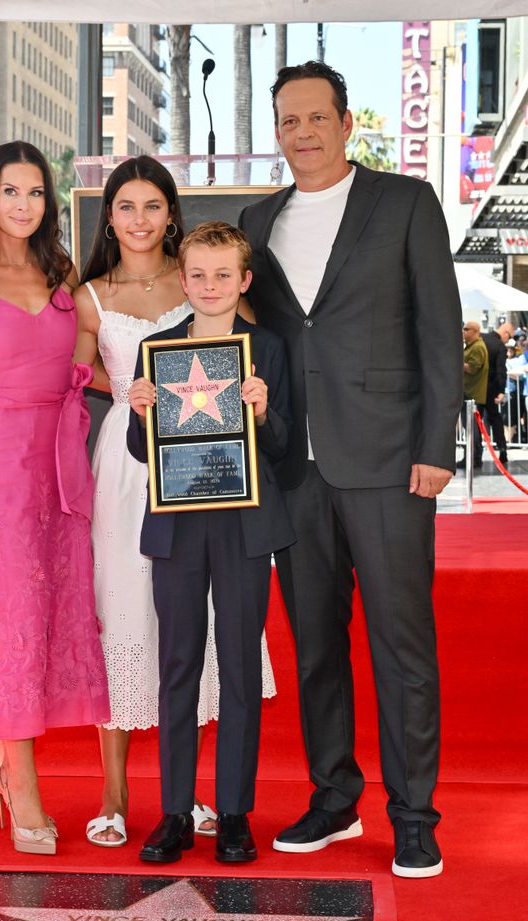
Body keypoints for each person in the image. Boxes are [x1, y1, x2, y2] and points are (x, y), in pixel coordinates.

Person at [240, 61, 462, 878]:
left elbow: (440, 328)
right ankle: (333, 797)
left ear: (345, 122)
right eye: (287, 121)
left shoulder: (403, 201)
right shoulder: (257, 219)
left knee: (401, 644)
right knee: (313, 647)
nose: (301, 133)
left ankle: (413, 816)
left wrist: (436, 447)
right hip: (291, 463)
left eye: (314, 118)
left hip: (388, 459)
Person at [75, 158, 277, 848]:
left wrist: (257, 411)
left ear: (171, 214)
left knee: (215, 644)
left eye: (152, 205)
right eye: (125, 205)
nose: (139, 218)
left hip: (222, 488)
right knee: (140, 627)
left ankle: (214, 803)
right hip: (137, 480)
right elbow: (86, 375)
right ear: (109, 216)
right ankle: (135, 797)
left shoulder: (225, 303)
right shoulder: (93, 297)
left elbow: (258, 397)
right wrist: (133, 403)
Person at [0, 141, 110, 856]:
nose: (25, 205)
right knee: (7, 621)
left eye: (36, 193)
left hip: (60, 461)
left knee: (54, 610)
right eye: (12, 191)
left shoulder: (62, 271)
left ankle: (25, 772)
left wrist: (98, 374)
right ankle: (20, 783)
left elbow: (89, 347)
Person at [127, 222, 294, 864]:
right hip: (177, 525)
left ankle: (233, 812)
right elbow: (146, 454)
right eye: (198, 274)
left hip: (246, 524)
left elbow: (284, 448)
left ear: (244, 281)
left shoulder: (268, 350)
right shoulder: (157, 349)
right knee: (178, 665)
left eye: (223, 275)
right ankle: (173, 811)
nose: (210, 285)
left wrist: (262, 413)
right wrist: (142, 412)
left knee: (240, 665)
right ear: (183, 278)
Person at [459, 321, 489, 469]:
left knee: (472, 429)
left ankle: (474, 457)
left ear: (475, 331)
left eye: (466, 329)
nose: (464, 332)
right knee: (470, 429)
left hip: (472, 395)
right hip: (469, 393)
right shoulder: (473, 347)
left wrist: (456, 362)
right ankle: (471, 457)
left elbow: (472, 368)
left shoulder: (477, 347)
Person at [480, 323, 509, 464]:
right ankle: (502, 449)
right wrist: (501, 390)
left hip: (475, 387)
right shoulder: (500, 346)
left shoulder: (480, 338)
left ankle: (474, 455)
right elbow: (501, 370)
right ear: (505, 333)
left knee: (474, 421)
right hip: (491, 388)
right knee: (495, 419)